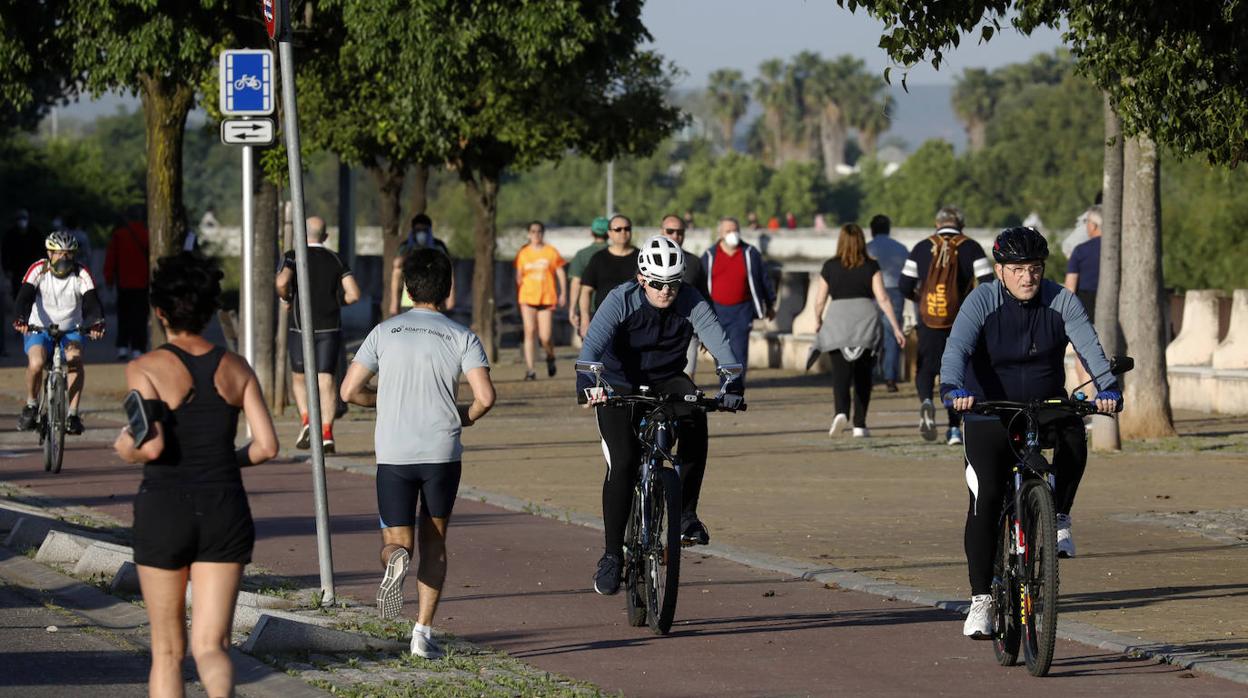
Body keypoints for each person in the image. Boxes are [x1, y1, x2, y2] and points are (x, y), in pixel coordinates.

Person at [939, 227, 1121, 639]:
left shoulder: (1061, 300)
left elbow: (1090, 350)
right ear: (1000, 270)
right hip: (988, 411)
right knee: (985, 501)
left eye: (1035, 268)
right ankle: (981, 600)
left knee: (1075, 432)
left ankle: (1059, 515)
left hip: (1043, 407)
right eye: (1018, 269)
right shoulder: (981, 301)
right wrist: (954, 388)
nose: (1027, 277)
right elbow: (957, 351)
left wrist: (1107, 388)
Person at [112, 251, 278, 697]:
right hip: (225, 509)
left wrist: (125, 447)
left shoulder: (143, 368)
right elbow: (266, 447)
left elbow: (152, 444)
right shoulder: (237, 368)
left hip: (165, 509)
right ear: (208, 310)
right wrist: (226, 461)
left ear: (160, 310)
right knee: (213, 646)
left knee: (168, 651)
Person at [340, 247, 495, 659]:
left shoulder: (383, 333)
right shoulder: (462, 336)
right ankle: (422, 633)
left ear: (408, 288)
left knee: (396, 540)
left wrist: (383, 400)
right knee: (436, 541)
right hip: (441, 451)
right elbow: (485, 396)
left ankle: (396, 559)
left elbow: (348, 391)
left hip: (394, 451)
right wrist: (466, 416)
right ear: (447, 290)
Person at [577, 235, 744, 595]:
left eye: (672, 283)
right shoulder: (620, 299)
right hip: (619, 383)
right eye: (657, 283)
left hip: (668, 378)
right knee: (622, 463)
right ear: (641, 278)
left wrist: (731, 383)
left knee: (697, 415)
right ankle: (611, 557)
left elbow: (720, 345)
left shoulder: (691, 300)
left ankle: (686, 515)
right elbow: (591, 347)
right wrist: (588, 383)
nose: (665, 291)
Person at [899, 206, 994, 446]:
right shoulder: (971, 247)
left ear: (936, 223)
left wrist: (921, 300)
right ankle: (953, 429)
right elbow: (987, 284)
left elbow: (903, 285)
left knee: (925, 368)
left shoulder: (921, 247)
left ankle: (926, 401)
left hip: (928, 321)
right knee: (956, 373)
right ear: (961, 224)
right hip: (961, 321)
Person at [275, 216, 361, 453]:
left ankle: (306, 421)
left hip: (300, 326)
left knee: (299, 377)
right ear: (325, 236)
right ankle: (326, 433)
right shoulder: (335, 259)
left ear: (303, 234)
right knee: (326, 379)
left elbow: (282, 282)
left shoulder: (293, 255)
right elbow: (354, 294)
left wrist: (287, 298)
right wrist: (335, 302)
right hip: (329, 326)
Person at [812, 224, 906, 437]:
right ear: (863, 241)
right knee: (863, 375)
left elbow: (819, 301)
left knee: (841, 374)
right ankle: (860, 425)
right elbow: (882, 298)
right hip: (866, 321)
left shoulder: (829, 266)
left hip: (837, 321)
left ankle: (840, 413)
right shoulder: (871, 266)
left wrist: (818, 320)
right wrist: (895, 327)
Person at [14, 232, 106, 435]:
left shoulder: (81, 273)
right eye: (58, 254)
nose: (63, 258)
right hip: (39, 328)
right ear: (49, 253)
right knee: (36, 363)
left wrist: (97, 323)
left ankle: (72, 414)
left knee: (75, 360)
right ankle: (31, 404)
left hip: (72, 329)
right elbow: (24, 297)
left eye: (68, 254)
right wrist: (21, 319)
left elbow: (92, 301)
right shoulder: (38, 269)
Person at [701, 217, 776, 389]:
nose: (732, 234)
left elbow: (764, 280)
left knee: (739, 352)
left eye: (735, 230)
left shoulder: (750, 253)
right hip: (716, 311)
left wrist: (770, 304)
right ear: (720, 234)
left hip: (742, 311)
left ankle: (734, 389)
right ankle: (726, 385)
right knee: (721, 353)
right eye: (728, 231)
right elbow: (701, 284)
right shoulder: (709, 256)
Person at [658, 214, 710, 379]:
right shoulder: (649, 259)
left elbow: (704, 297)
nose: (675, 236)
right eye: (670, 231)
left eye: (680, 232)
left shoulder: (694, 262)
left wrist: (707, 333)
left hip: (687, 330)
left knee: (687, 381)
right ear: (662, 231)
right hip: (656, 330)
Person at [514, 221, 567, 380]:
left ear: (543, 233)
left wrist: (563, 293)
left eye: (539, 231)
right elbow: (518, 276)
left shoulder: (550, 252)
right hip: (527, 297)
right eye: (533, 231)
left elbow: (560, 272)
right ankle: (530, 370)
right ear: (528, 234)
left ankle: (550, 356)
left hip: (546, 297)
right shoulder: (523, 253)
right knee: (529, 332)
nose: (536, 234)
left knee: (545, 336)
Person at [866, 214, 909, 392]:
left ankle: (869, 374)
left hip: (871, 293)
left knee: (869, 334)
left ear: (872, 230)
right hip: (895, 292)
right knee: (893, 334)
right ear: (888, 229)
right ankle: (890, 377)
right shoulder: (901, 248)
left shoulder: (866, 249)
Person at [577, 214, 639, 337]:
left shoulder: (642, 257)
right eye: (618, 229)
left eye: (627, 229)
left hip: (636, 321)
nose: (623, 232)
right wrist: (585, 320)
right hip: (604, 321)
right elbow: (585, 291)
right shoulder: (598, 258)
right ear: (609, 233)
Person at [104, 212, 151, 360]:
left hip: (124, 282)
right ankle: (139, 348)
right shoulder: (147, 235)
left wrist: (109, 279)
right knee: (140, 317)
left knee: (124, 316)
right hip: (143, 282)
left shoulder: (119, 235)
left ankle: (123, 347)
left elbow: (111, 259)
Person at [1065, 205, 1102, 389]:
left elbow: (1070, 287)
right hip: (1116, 311)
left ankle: (1087, 395)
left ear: (1094, 225)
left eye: (1087, 222)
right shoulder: (1120, 249)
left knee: (1084, 353)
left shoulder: (1080, 251)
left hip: (1086, 309)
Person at [388, 213, 454, 317]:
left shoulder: (438, 246)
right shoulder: (406, 247)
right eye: (418, 230)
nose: (421, 233)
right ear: (413, 231)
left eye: (424, 230)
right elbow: (396, 266)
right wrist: (394, 302)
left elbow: (449, 269)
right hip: (410, 300)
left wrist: (451, 298)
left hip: (434, 298)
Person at [566, 216, 610, 335]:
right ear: (609, 233)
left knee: (589, 349)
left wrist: (572, 309)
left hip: (587, 309)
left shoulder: (582, 254)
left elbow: (576, 283)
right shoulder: (617, 253)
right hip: (612, 308)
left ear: (591, 232)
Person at [3, 208, 45, 300]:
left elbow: (43, 250)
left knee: (33, 292)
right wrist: (6, 269)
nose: (22, 221)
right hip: (16, 269)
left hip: (32, 267)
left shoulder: (35, 233)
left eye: (24, 218)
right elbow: (5, 253)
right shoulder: (10, 234)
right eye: (19, 218)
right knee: (17, 293)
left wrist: (44, 265)